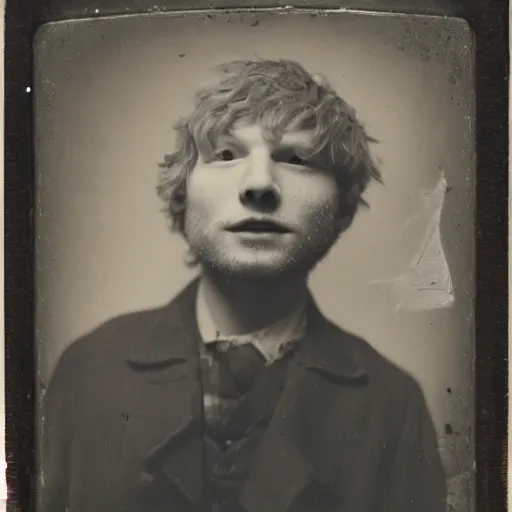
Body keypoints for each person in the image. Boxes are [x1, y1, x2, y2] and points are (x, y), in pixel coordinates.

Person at [39, 59, 447, 512]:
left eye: (296, 159)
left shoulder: (392, 403)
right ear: (182, 195)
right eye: (227, 154)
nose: (259, 185)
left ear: (343, 207)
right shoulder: (89, 368)